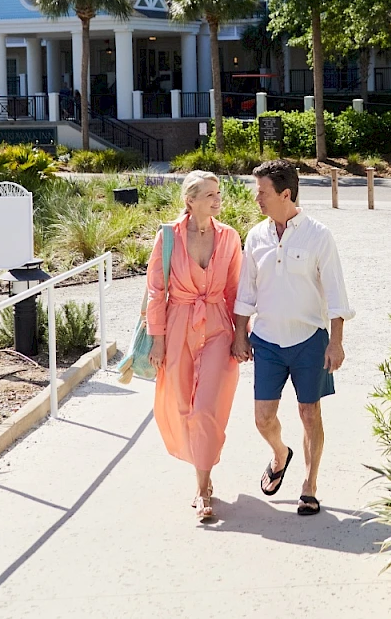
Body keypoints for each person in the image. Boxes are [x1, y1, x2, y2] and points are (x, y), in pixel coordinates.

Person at [233, 159, 354, 516]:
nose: (257, 198)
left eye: (262, 192)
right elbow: (246, 292)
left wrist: (336, 341)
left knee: (309, 414)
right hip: (267, 341)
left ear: (285, 194)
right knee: (262, 418)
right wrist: (240, 334)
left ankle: (309, 485)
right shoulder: (256, 236)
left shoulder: (318, 235)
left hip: (309, 340)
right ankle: (279, 454)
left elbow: (336, 292)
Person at [147, 170, 243, 523]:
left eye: (218, 193)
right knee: (184, 405)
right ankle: (203, 471)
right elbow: (156, 291)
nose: (218, 200)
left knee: (206, 407)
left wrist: (242, 334)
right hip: (178, 326)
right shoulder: (168, 237)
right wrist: (157, 341)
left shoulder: (229, 237)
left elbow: (235, 290)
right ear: (190, 201)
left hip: (217, 324)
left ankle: (202, 490)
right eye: (209, 195)